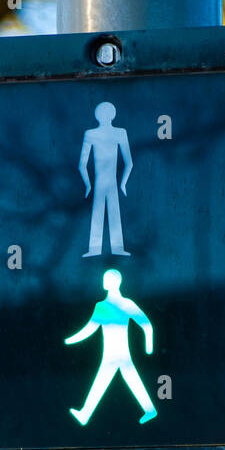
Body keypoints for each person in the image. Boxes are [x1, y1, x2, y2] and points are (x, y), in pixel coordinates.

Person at [65, 269, 157, 426]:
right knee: (125, 381)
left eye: (107, 279)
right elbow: (90, 329)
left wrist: (149, 345)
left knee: (111, 382)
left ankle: (85, 414)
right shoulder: (103, 306)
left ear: (114, 282)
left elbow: (147, 325)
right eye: (104, 278)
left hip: (116, 355)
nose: (104, 281)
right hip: (112, 355)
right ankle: (149, 410)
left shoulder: (124, 304)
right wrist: (71, 340)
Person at [79, 101, 132, 257]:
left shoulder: (91, 134)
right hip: (111, 183)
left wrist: (88, 184)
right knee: (112, 213)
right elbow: (129, 162)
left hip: (101, 182)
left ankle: (96, 249)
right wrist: (123, 183)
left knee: (99, 213)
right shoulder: (119, 133)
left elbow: (81, 165)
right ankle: (115, 248)